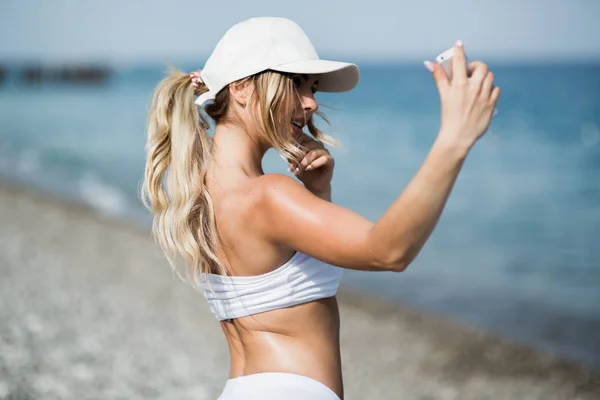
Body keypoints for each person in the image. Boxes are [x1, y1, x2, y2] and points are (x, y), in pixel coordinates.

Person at [141, 17, 499, 400]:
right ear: (242, 88)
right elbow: (388, 252)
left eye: (311, 87)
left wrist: (318, 192)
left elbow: (279, 292)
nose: (310, 102)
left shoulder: (204, 191)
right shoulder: (268, 195)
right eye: (295, 83)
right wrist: (454, 139)